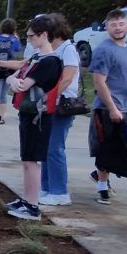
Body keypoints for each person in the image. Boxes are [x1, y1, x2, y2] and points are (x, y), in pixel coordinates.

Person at [0, 14, 63, 220]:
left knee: (32, 160)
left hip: (39, 116)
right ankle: (27, 199)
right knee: (27, 159)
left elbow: (22, 84)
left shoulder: (51, 62)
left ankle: (33, 206)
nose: (29, 40)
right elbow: (15, 77)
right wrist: (12, 79)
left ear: (44, 35)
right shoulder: (37, 58)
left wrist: (13, 80)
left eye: (31, 36)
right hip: (28, 113)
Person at [89, 8, 127, 205]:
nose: (117, 28)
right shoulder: (103, 50)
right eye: (113, 24)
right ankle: (102, 188)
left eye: (121, 23)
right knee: (106, 148)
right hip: (108, 109)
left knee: (123, 148)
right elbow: (99, 82)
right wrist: (113, 108)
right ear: (106, 27)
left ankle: (101, 176)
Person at [40, 14, 79, 206]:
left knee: (55, 148)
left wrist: (51, 97)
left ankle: (59, 191)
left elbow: (67, 78)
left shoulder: (68, 49)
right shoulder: (54, 49)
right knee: (47, 148)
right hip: (51, 104)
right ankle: (47, 188)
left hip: (62, 105)